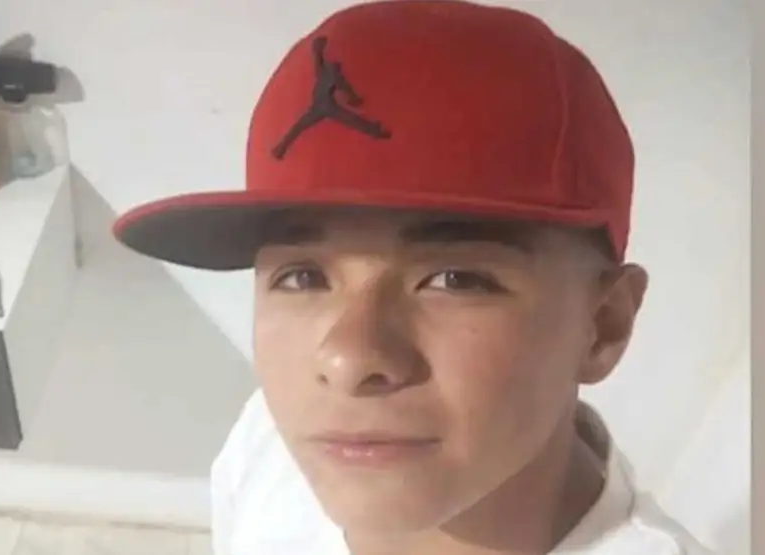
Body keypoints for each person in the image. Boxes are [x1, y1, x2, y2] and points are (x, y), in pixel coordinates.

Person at [112, 1, 712, 554]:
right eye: (302, 277)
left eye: (455, 279)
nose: (348, 360)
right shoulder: (269, 446)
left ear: (603, 325)